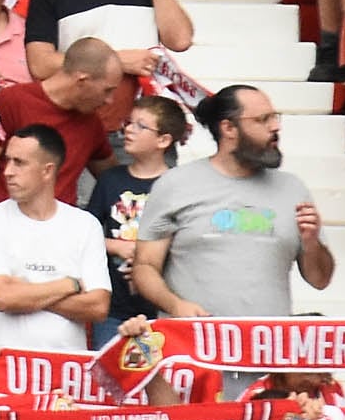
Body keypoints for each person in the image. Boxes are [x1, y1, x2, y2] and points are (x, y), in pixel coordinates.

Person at [131, 85, 333, 319]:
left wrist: (312, 244)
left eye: (275, 118)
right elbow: (145, 267)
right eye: (262, 120)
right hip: (194, 344)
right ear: (228, 128)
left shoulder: (293, 189)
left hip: (264, 346)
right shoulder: (175, 184)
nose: (275, 127)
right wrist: (175, 305)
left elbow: (320, 280)